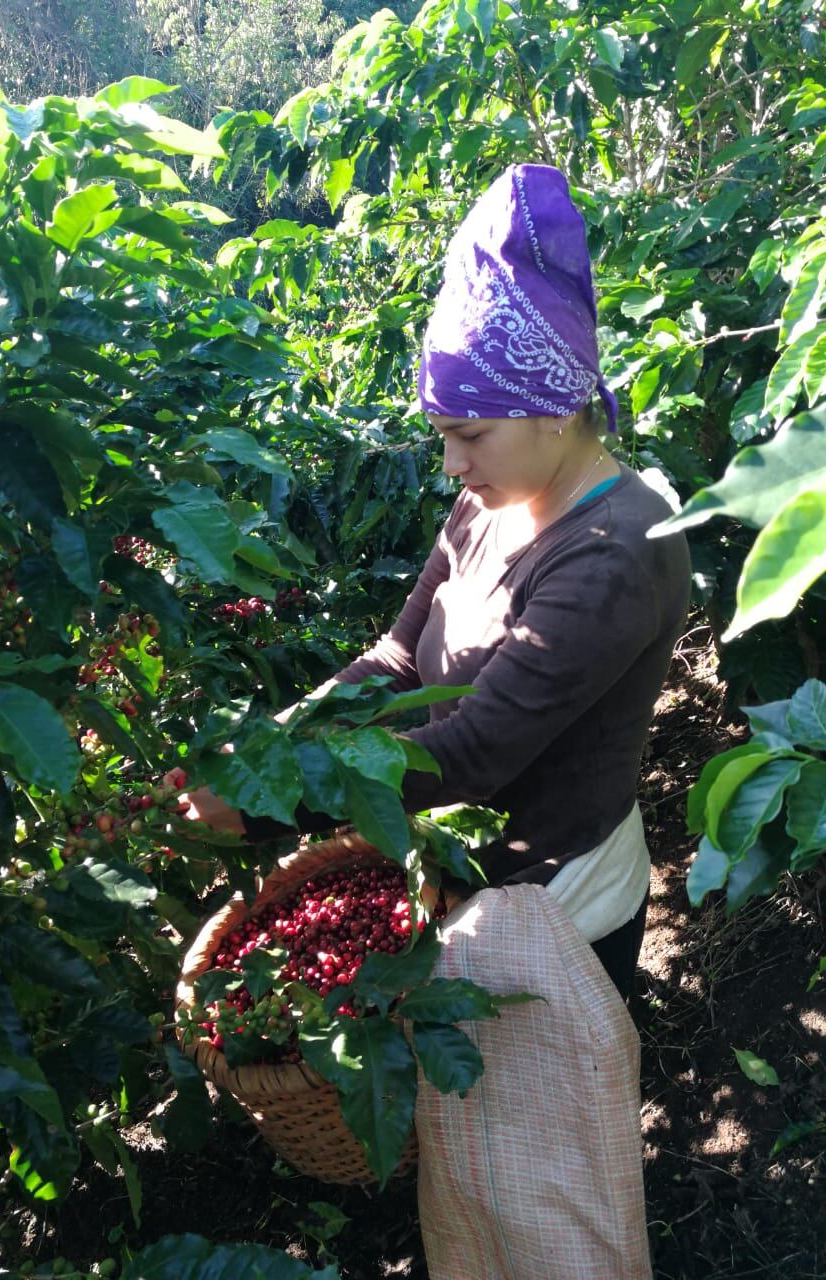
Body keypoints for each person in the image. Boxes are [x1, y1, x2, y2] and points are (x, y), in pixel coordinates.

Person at [182, 165, 690, 1279]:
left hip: (553, 895)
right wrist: (277, 735)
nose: (450, 463)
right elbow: (399, 650)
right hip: (462, 868)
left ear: (557, 406)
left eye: (467, 433)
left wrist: (271, 795)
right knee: (481, 1143)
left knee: (549, 1152)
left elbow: (473, 750)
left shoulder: (618, 553)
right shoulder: (492, 495)